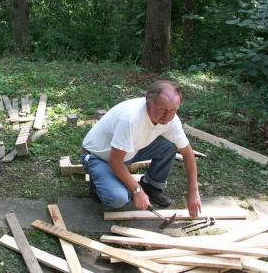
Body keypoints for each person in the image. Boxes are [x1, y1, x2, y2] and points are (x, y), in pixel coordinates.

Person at [81, 80, 201, 217]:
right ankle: (97, 186)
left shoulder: (171, 119)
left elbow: (187, 153)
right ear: (149, 103)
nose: (168, 116)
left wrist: (193, 190)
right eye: (162, 110)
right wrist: (136, 190)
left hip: (130, 151)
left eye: (174, 110)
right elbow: (115, 161)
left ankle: (152, 185)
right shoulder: (131, 119)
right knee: (118, 198)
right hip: (100, 157)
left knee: (170, 146)